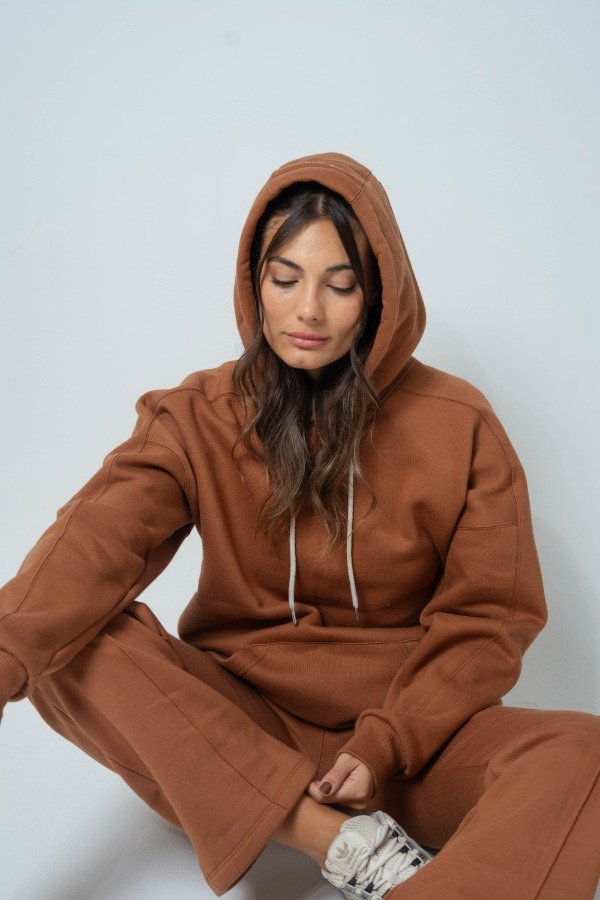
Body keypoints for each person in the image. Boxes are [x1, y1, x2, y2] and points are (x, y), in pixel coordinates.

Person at [0, 151, 598, 900]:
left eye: (339, 285)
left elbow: (489, 619)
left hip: (408, 746)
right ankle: (330, 839)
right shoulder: (198, 417)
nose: (308, 310)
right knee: (69, 629)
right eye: (285, 280)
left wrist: (385, 744)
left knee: (581, 752)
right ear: (255, 285)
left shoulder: (460, 424)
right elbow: (95, 543)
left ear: (377, 295)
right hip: (232, 736)